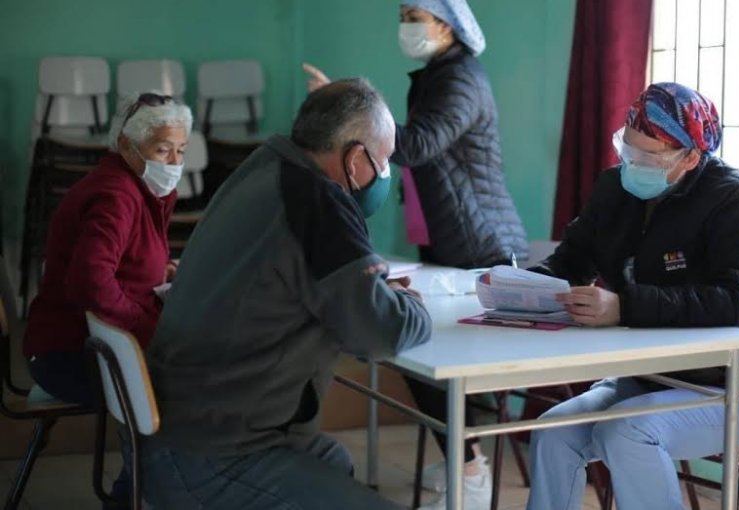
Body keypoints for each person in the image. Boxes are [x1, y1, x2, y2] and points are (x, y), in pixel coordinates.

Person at [141, 78, 432, 510]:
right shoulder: (318, 202)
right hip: (219, 453)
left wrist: (370, 291)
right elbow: (377, 333)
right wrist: (410, 305)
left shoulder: (265, 166)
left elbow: (314, 282)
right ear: (355, 159)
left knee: (332, 459)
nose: (385, 176)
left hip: (182, 427)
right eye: (384, 161)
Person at [304, 3, 526, 508]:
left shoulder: (460, 78)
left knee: (437, 355)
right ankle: (463, 455)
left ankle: (469, 468)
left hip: (479, 243)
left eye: (413, 14)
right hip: (449, 236)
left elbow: (417, 143)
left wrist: (346, 119)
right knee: (419, 353)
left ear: (445, 24)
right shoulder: (435, 75)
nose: (404, 24)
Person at [524, 83, 739, 510]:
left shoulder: (734, 197)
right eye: (628, 150)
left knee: (627, 432)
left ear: (692, 157)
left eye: (649, 157)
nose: (633, 165)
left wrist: (625, 307)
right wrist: (521, 291)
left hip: (733, 387)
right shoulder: (614, 189)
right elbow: (569, 262)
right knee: (554, 431)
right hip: (649, 378)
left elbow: (738, 299)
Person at [22, 92, 189, 507]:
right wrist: (145, 324)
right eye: (162, 149)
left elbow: (120, 261)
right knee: (176, 393)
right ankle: (133, 498)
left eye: (180, 151)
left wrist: (160, 270)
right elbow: (90, 283)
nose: (173, 163)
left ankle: (139, 494)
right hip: (66, 354)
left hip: (85, 344)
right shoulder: (116, 194)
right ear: (128, 147)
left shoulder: (134, 186)